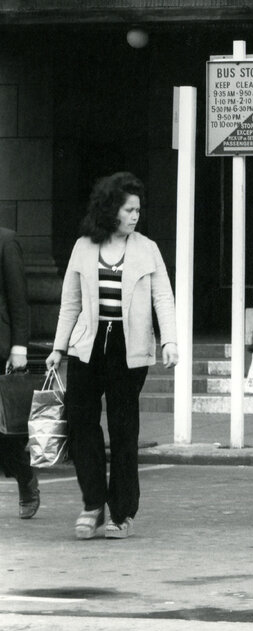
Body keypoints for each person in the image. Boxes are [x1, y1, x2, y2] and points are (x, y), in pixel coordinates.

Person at [45, 172, 178, 539]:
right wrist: (58, 348)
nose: (135, 216)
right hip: (87, 345)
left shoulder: (147, 248)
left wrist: (170, 340)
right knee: (81, 424)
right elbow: (70, 303)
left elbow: (163, 298)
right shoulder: (83, 247)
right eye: (128, 209)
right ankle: (93, 504)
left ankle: (122, 512)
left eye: (138, 209)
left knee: (123, 429)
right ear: (110, 209)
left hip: (128, 347)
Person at [0, 226, 37, 519]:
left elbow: (18, 299)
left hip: (0, 348)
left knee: (4, 435)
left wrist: (19, 346)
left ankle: (24, 476)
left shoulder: (6, 241)